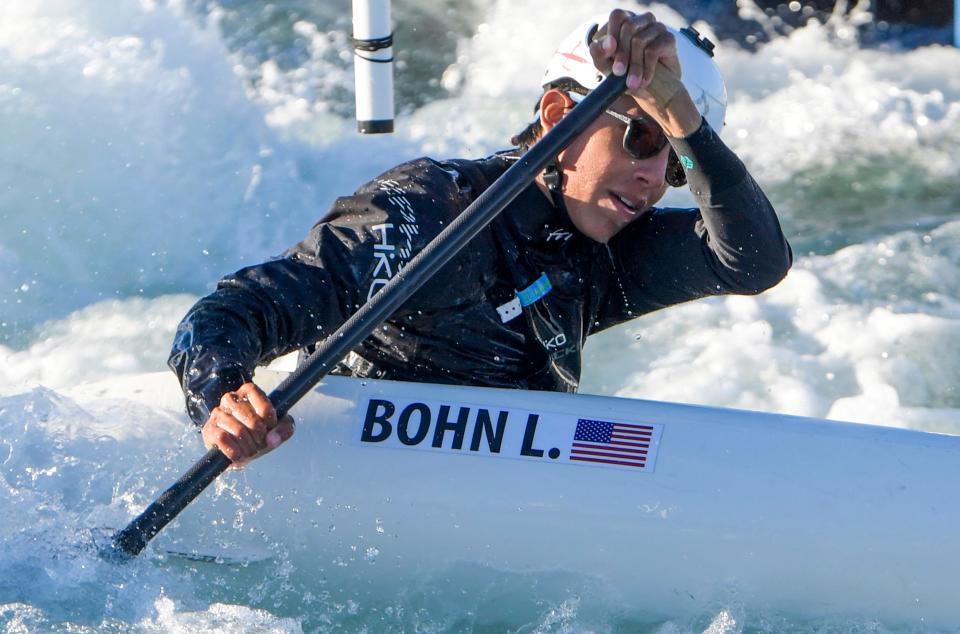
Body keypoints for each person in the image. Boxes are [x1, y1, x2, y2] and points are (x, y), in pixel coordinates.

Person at [168, 9, 792, 467]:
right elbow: (231, 311)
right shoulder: (429, 215)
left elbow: (754, 262)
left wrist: (680, 116)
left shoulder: (607, 252)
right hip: (352, 478)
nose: (656, 178)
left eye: (676, 162)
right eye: (644, 138)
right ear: (556, 117)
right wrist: (223, 398)